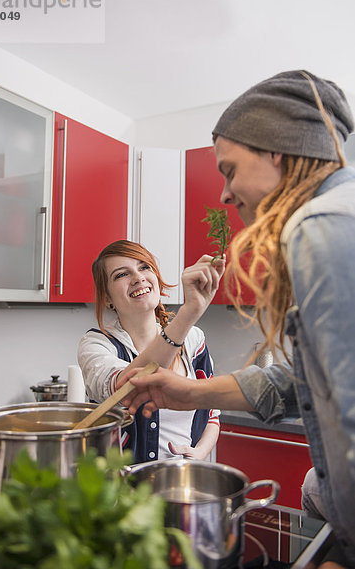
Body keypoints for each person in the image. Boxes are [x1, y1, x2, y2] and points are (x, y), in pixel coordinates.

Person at [121, 71, 355, 568]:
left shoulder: (322, 228)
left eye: (229, 170)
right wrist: (191, 392)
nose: (225, 194)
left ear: (278, 149)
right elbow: (303, 382)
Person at [77, 240, 224, 463]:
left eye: (144, 267)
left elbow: (212, 410)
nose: (138, 278)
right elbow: (127, 388)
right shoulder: (97, 344)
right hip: (121, 493)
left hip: (181, 485)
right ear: (107, 298)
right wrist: (188, 313)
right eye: (121, 275)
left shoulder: (194, 339)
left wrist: (200, 452)